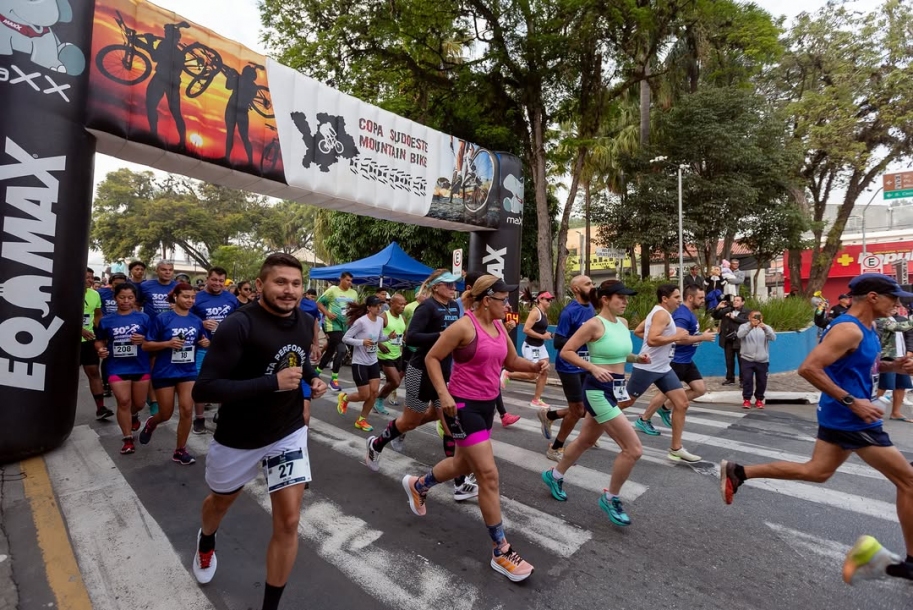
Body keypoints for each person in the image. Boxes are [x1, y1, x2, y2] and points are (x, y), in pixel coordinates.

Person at [720, 273, 913, 586]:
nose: (898, 303)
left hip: (846, 416)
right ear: (874, 297)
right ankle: (908, 564)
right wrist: (853, 402)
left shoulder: (869, 327)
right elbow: (809, 368)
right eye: (894, 297)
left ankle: (739, 472)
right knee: (909, 481)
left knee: (816, 472)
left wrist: (894, 366)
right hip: (852, 418)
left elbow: (863, 366)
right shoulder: (848, 329)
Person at [190, 253, 327, 610]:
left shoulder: (302, 318)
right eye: (281, 282)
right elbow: (204, 389)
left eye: (296, 283)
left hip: (287, 429)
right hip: (239, 437)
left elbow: (299, 357)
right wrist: (272, 383)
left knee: (289, 521)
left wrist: (311, 377)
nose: (289, 291)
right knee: (220, 502)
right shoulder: (239, 324)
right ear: (261, 283)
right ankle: (206, 540)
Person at [402, 275, 543, 582]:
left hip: (486, 405)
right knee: (488, 475)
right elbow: (432, 357)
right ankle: (500, 550)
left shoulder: (499, 328)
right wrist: (444, 394)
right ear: (485, 300)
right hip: (462, 407)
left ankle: (419, 485)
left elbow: (512, 360)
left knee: (461, 463)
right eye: (502, 300)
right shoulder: (464, 327)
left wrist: (534, 367)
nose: (507, 306)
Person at [365, 270, 479, 502]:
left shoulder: (454, 308)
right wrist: (442, 335)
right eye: (447, 284)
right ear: (436, 287)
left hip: (443, 374)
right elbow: (412, 337)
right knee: (410, 421)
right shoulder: (426, 308)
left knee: (450, 426)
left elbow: (470, 298)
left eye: (454, 284)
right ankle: (376, 444)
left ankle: (458, 483)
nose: (452, 288)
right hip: (420, 372)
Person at [543, 280, 648, 526]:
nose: (625, 302)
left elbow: (619, 353)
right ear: (605, 299)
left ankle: (554, 474)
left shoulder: (621, 324)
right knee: (633, 449)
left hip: (616, 388)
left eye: (626, 297)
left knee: (586, 440)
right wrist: (592, 367)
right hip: (597, 391)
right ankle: (611, 498)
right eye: (620, 297)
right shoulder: (593, 324)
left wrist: (636, 358)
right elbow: (567, 350)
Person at [627, 284, 702, 463]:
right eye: (676, 297)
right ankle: (594, 423)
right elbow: (652, 340)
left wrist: (669, 339)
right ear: (665, 299)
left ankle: (676, 449)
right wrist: (676, 337)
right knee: (625, 402)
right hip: (648, 367)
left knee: (682, 404)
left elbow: (641, 332)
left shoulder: (659, 312)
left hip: (663, 368)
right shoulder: (661, 314)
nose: (679, 300)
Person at [139, 283, 209, 465]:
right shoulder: (163, 319)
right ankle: (152, 423)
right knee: (166, 413)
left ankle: (180, 450)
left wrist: (204, 343)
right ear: (176, 297)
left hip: (187, 371)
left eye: (192, 297)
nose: (190, 300)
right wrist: (167, 344)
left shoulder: (196, 320)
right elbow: (146, 345)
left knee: (187, 409)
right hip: (165, 371)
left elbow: (201, 339)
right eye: (186, 296)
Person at [634, 285, 716, 435]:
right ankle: (644, 419)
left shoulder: (682, 313)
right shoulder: (680, 315)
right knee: (663, 393)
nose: (704, 301)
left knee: (699, 389)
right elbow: (678, 339)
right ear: (690, 298)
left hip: (686, 360)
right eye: (701, 298)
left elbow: (642, 332)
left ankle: (665, 409)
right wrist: (701, 337)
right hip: (676, 359)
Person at [537, 275, 595, 461]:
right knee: (578, 410)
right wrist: (584, 337)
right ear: (577, 289)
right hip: (569, 366)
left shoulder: (591, 308)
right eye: (588, 284)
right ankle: (556, 447)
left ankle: (550, 414)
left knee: (585, 408)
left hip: (586, 364)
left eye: (592, 283)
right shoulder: (569, 312)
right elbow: (559, 342)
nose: (592, 286)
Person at [95, 283, 151, 454]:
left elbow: (153, 342)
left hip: (140, 365)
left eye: (130, 298)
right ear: (115, 298)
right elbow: (100, 340)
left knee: (139, 404)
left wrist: (143, 341)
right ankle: (127, 439)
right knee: (124, 401)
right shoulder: (106, 320)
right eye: (122, 297)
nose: (126, 301)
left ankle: (133, 415)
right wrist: (100, 349)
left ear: (135, 299)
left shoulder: (144, 318)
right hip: (116, 366)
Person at [189, 267, 240, 434]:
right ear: (207, 279)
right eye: (214, 280)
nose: (217, 283)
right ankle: (199, 418)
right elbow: (186, 319)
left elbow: (237, 319)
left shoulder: (231, 298)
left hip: (226, 347)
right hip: (202, 347)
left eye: (221, 281)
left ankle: (222, 414)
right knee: (201, 382)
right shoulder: (197, 298)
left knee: (226, 382)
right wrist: (201, 324)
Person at [338, 295, 395, 432]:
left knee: (374, 393)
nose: (378, 308)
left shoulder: (380, 321)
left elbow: (378, 337)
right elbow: (346, 338)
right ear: (369, 307)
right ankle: (345, 398)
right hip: (360, 363)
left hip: (372, 361)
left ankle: (362, 420)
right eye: (376, 306)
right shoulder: (361, 322)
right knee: (364, 395)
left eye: (380, 306)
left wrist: (388, 337)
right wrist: (361, 342)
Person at [506, 291, 553, 408]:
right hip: (531, 347)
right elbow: (526, 329)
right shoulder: (535, 312)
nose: (549, 302)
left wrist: (550, 335)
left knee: (545, 370)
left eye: (550, 300)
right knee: (533, 374)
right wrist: (543, 336)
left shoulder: (544, 314)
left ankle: (536, 399)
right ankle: (507, 373)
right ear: (540, 299)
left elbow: (541, 331)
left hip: (539, 346)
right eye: (547, 299)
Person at [316, 271, 359, 391]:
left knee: (330, 351)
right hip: (332, 325)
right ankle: (333, 380)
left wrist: (353, 318)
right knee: (341, 350)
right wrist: (328, 313)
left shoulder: (354, 293)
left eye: (351, 281)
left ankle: (315, 373)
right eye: (347, 280)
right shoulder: (332, 291)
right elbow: (319, 303)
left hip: (344, 326)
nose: (349, 283)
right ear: (341, 279)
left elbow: (355, 309)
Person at [82, 267, 112, 420]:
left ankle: (101, 408)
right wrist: (79, 330)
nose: (90, 280)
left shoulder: (95, 294)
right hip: (67, 342)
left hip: (88, 341)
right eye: (87, 277)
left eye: (92, 277)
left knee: (94, 372)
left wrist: (102, 334)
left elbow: (97, 315)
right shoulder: (66, 292)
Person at [875, 305, 913, 422]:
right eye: (892, 305)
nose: (895, 307)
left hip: (902, 356)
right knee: (884, 385)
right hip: (888, 357)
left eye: (897, 306)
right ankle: (873, 411)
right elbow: (898, 327)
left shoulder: (899, 319)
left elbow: (909, 335)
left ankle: (896, 413)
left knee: (901, 385)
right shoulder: (880, 320)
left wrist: (909, 351)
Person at [737, 310, 776, 409]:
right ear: (749, 318)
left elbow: (773, 338)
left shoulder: (765, 327)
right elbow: (739, 335)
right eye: (754, 317)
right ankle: (746, 400)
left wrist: (765, 328)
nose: (756, 319)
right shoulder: (744, 326)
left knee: (762, 381)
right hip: (747, 359)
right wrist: (750, 326)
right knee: (747, 380)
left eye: (758, 317)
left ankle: (759, 399)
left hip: (762, 360)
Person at [377, 293, 407, 414]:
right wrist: (380, 344)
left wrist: (405, 339)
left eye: (404, 304)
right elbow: (372, 334)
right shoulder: (383, 317)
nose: (403, 306)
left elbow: (403, 334)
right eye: (400, 304)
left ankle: (375, 396)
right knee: (395, 381)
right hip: (384, 354)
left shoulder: (403, 318)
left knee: (393, 382)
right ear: (392, 304)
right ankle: (378, 399)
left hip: (397, 354)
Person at [712, 294, 749, 386]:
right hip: (727, 338)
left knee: (742, 361)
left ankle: (743, 380)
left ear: (743, 302)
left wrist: (734, 318)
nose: (735, 302)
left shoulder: (747, 312)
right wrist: (718, 307)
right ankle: (730, 378)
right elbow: (715, 316)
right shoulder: (727, 310)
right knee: (729, 360)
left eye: (738, 300)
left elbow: (748, 322)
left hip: (739, 339)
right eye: (734, 300)